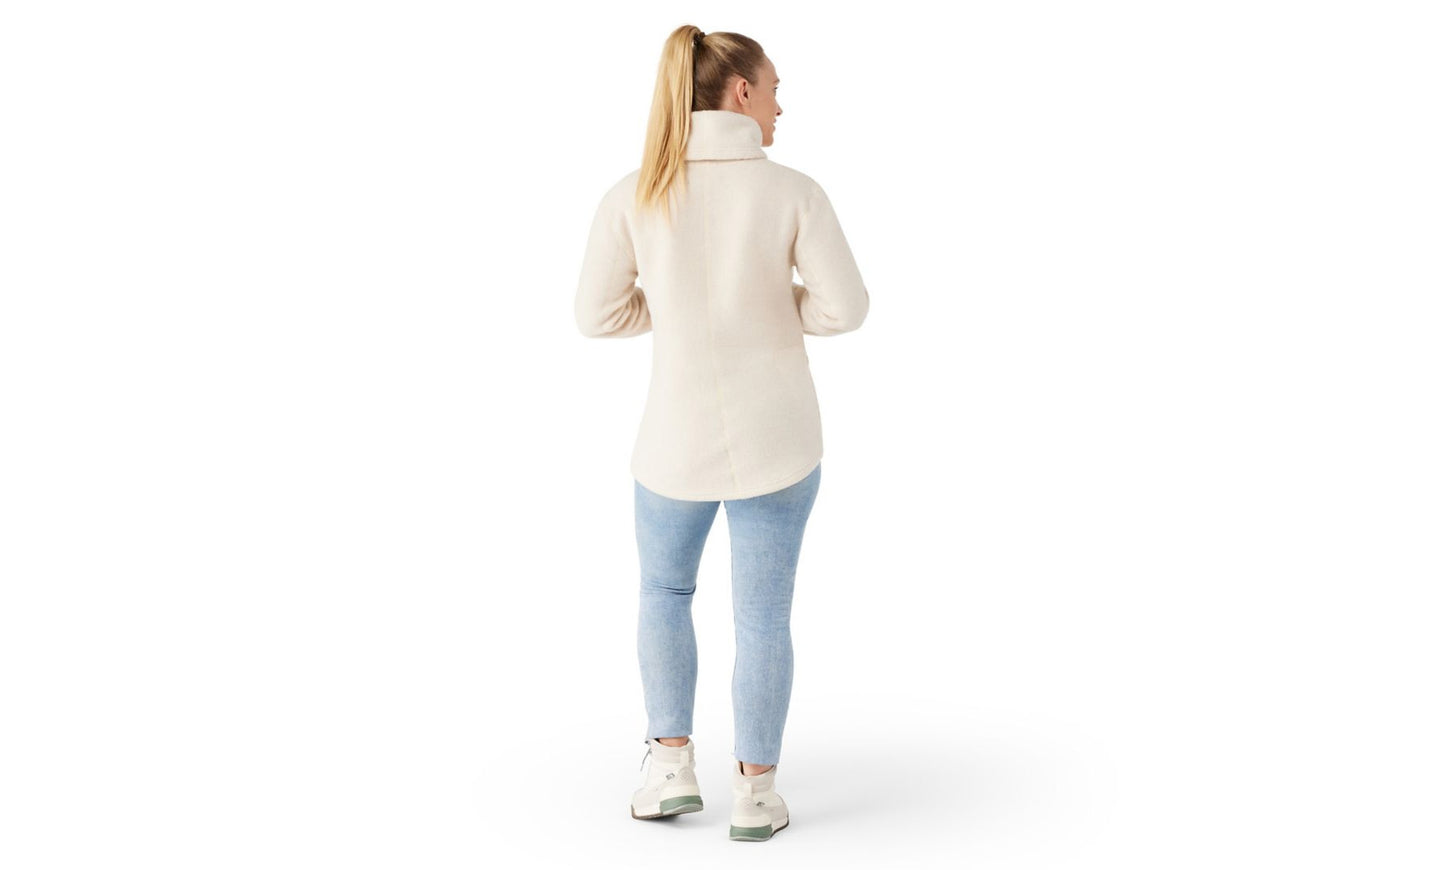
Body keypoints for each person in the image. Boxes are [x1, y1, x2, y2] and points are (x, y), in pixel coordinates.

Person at [575, 23, 869, 842]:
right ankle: (756, 794)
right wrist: (772, 308)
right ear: (740, 92)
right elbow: (845, 309)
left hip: (672, 441)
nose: (779, 106)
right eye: (773, 89)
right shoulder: (794, 192)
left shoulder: (633, 193)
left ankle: (669, 769)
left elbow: (597, 315)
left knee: (664, 594)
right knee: (763, 618)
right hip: (780, 439)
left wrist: (679, 313)